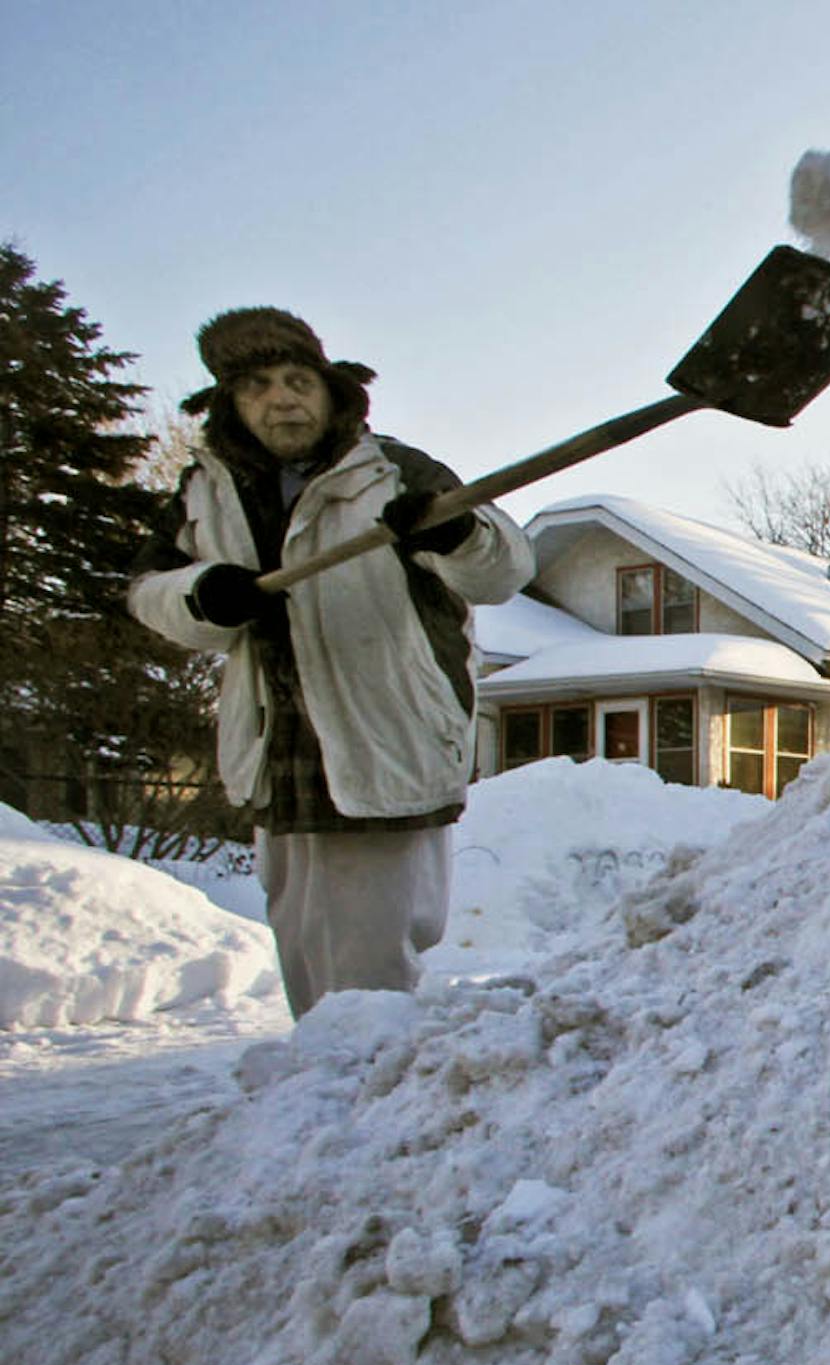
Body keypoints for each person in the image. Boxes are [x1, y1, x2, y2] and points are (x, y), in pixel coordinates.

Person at [129, 306, 535, 1018]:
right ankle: (322, 1084)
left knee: (374, 955)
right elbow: (147, 591)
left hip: (388, 727)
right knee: (303, 941)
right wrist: (199, 595)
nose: (281, 398)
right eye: (256, 384)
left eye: (296, 380)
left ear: (331, 388)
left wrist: (457, 531)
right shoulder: (207, 490)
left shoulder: (392, 471)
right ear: (230, 400)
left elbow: (504, 568)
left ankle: (375, 1090)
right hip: (278, 738)